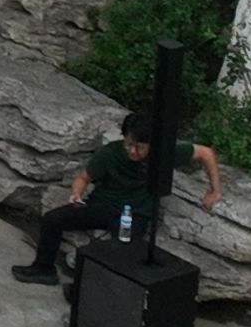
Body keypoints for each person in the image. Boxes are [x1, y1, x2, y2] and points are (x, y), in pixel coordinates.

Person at [20, 109, 176, 290]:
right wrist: (76, 194)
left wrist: (215, 190)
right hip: (103, 205)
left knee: (121, 248)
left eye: (140, 147)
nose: (133, 151)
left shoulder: (162, 155)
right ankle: (43, 269)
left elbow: (204, 153)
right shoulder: (109, 153)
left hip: (135, 213)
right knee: (52, 219)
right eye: (129, 144)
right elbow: (83, 178)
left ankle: (89, 292)